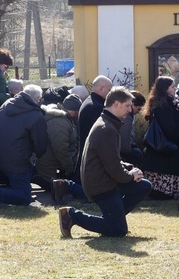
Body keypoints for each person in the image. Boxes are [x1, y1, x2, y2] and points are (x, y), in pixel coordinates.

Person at [59, 87, 151, 238]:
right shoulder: (107, 128)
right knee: (118, 230)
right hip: (102, 185)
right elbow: (113, 167)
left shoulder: (108, 123)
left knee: (144, 186)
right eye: (127, 105)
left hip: (104, 180)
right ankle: (72, 215)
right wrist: (130, 175)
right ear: (116, 104)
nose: (130, 110)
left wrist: (130, 169)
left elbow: (111, 160)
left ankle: (115, 218)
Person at [0, 84, 48, 209]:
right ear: (36, 99)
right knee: (25, 197)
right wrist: (36, 156)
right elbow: (41, 144)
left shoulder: (6, 105)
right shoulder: (36, 115)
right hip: (18, 159)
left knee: (22, 178)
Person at [140, 76, 179, 199]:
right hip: (166, 149)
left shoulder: (162, 103)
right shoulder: (164, 105)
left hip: (163, 150)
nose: (175, 89)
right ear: (165, 89)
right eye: (172, 87)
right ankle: (164, 193)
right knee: (166, 173)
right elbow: (169, 129)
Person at [34, 90, 79, 194]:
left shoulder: (61, 119)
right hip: (50, 167)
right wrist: (69, 167)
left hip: (52, 165)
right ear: (73, 111)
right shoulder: (60, 122)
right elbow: (61, 148)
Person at [78, 76, 113, 155]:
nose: (111, 93)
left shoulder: (89, 101)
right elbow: (100, 136)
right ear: (101, 89)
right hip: (92, 157)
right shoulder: (96, 107)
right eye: (109, 90)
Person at [119, 90, 145, 166]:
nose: (138, 112)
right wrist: (130, 150)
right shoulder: (127, 117)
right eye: (138, 109)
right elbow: (124, 144)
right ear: (132, 104)